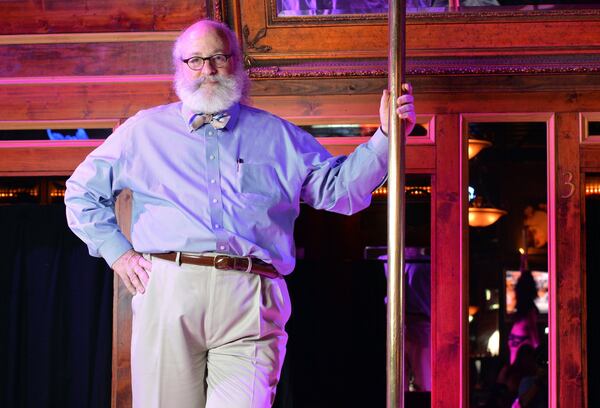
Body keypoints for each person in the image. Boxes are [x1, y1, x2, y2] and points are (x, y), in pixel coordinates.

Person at [65, 19, 415, 408]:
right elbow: (80, 193)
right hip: (169, 291)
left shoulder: (278, 135)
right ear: (178, 68)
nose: (208, 70)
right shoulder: (143, 131)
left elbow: (340, 191)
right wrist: (118, 252)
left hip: (252, 296)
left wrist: (386, 137)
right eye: (194, 60)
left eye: (217, 57)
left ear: (237, 63)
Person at [508, 269, 540, 364]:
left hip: (514, 338)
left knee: (515, 369)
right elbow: (532, 329)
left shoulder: (521, 305)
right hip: (522, 341)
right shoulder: (530, 308)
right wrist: (538, 347)